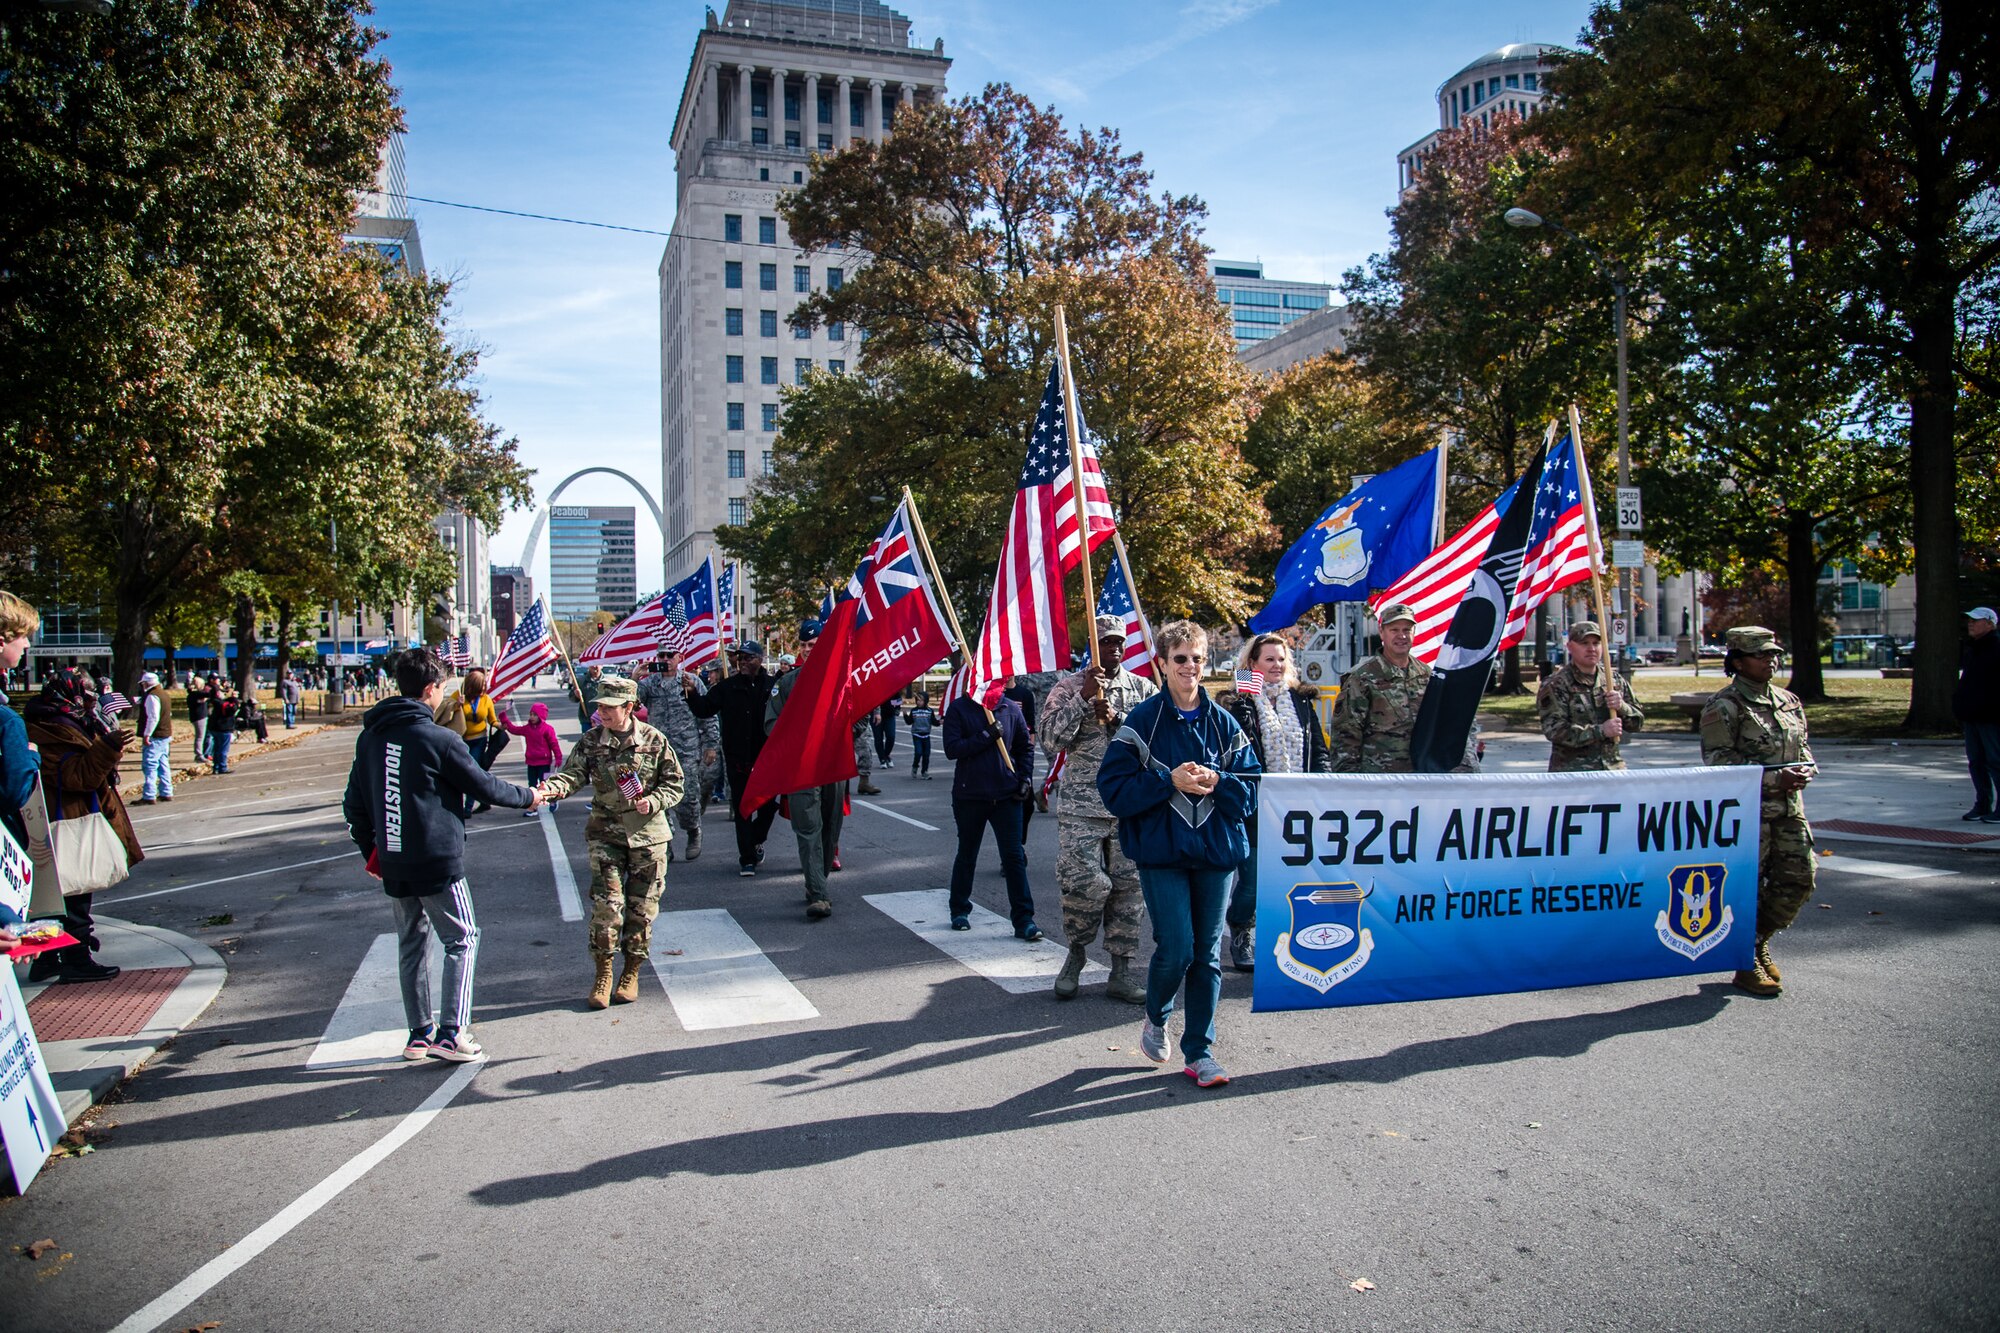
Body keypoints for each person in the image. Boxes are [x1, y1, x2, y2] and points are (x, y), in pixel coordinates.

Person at [343, 649, 540, 1061]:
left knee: (411, 942)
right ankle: (452, 1032)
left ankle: (419, 1034)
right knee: (461, 938)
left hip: (394, 858)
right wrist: (530, 796)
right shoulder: (439, 738)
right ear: (430, 689)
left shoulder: (371, 737)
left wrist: (372, 852)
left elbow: (354, 804)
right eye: (441, 688)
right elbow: (483, 786)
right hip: (437, 859)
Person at [1098, 620, 1260, 1089]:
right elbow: (1115, 791)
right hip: (1162, 853)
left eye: (1197, 658)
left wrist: (1218, 781)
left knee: (1208, 954)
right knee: (1178, 948)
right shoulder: (1142, 722)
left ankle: (1200, 1052)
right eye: (1181, 659)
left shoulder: (1224, 723)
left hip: (1216, 852)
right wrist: (1167, 779)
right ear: (1163, 664)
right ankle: (1156, 1015)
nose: (1191, 666)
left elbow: (1251, 791)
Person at [533, 676, 684, 1008]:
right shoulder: (591, 741)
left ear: (629, 707)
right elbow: (573, 774)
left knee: (641, 912)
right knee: (607, 908)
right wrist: (549, 789)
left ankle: (631, 972)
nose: (601, 711)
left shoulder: (654, 740)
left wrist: (655, 800)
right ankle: (603, 973)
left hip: (648, 838)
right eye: (600, 705)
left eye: (609, 707)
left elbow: (676, 784)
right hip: (606, 835)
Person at [1038, 614, 1156, 1001]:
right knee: (1083, 884)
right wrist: (1082, 699)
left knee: (1128, 889)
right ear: (1093, 644)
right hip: (1081, 808)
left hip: (1128, 807)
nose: (1116, 649)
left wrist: (1119, 718)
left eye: (1119, 642)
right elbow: (1050, 742)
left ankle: (1121, 971)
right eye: (1107, 642)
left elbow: (1158, 746)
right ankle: (1075, 954)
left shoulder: (1142, 689)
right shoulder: (1067, 687)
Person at [1701, 626, 1817, 997]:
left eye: (1774, 654)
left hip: (1789, 810)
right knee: (1746, 889)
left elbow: (1804, 751)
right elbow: (1719, 765)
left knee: (1800, 879)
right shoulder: (1724, 706)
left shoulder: (1789, 701)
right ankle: (1744, 959)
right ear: (1737, 662)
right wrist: (1774, 780)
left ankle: (1755, 939)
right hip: (1749, 816)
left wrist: (1804, 770)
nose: (1771, 660)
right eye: (1761, 655)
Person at [1217, 631, 1330, 972]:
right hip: (1257, 804)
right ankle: (1241, 928)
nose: (1277, 665)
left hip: (1298, 805)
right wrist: (1248, 698)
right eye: (1269, 659)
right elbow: (1235, 751)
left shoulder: (1301, 701)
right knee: (1253, 876)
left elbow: (1318, 750)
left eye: (1282, 659)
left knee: (1292, 876)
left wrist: (1324, 782)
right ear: (1252, 664)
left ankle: (1285, 936)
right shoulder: (1238, 704)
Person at [24, 666, 142, 984]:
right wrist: (107, 748)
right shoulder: (49, 728)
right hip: (65, 820)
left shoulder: (65, 721)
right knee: (72, 895)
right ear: (70, 695)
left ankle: (46, 957)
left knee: (53, 895)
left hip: (61, 818)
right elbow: (76, 776)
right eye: (86, 694)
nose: (91, 701)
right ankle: (75, 959)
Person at [942, 675, 1040, 939]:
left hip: (1006, 797)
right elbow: (952, 748)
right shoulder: (960, 708)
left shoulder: (1009, 708)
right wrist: (987, 735)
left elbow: (1024, 748)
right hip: (970, 796)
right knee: (967, 854)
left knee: (1013, 858)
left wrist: (1025, 778)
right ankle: (959, 909)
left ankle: (1024, 920)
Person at [767, 621, 843, 918]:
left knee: (830, 827)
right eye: (806, 646)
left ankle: (817, 881)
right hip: (802, 768)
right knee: (808, 828)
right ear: (800, 649)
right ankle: (819, 892)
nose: (811, 650)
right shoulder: (786, 684)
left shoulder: (841, 679)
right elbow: (771, 722)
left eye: (816, 645)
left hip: (834, 766)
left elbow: (859, 717)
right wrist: (798, 739)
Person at [689, 641, 779, 875]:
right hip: (738, 759)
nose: (743, 662)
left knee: (768, 807)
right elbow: (704, 708)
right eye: (740, 658)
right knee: (742, 810)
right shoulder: (726, 687)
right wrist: (690, 693)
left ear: (760, 659)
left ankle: (756, 839)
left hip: (766, 759)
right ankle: (746, 858)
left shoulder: (773, 686)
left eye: (749, 657)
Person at [636, 648, 720, 860]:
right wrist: (634, 679)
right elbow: (632, 705)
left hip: (687, 749)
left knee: (688, 797)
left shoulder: (690, 681)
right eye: (661, 656)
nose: (665, 660)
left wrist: (711, 744)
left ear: (679, 658)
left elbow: (706, 713)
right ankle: (665, 841)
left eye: (669, 656)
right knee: (658, 798)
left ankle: (693, 831)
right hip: (657, 751)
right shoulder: (649, 684)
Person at [1332, 602, 1428, 773]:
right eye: (1394, 630)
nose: (1402, 636)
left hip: (1420, 778)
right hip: (1378, 783)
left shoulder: (1426, 674)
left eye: (1407, 630)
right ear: (1382, 633)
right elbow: (1346, 736)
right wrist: (1348, 783)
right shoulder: (1362, 678)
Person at [1537, 621, 1645, 771]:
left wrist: (1622, 707)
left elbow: (1637, 723)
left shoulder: (1613, 680)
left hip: (1612, 770)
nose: (1591, 649)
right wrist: (1601, 731)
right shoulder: (1557, 684)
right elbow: (1555, 731)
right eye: (1584, 643)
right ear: (1570, 647)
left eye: (1596, 643)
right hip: (1573, 773)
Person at [0, 591, 43, 860]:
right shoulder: (6, 721)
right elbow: (13, 791)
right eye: (22, 636)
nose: (27, 645)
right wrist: (30, 756)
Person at [1955, 607, 1999, 823]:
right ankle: (1982, 803)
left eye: (1976, 620)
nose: (1970, 623)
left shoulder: (1996, 648)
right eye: (1969, 620)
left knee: (1995, 761)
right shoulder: (1973, 649)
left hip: (1990, 717)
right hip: (1972, 716)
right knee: (1976, 761)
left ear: (1990, 623)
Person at [500, 701, 565, 815]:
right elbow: (514, 729)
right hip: (531, 762)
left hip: (544, 762)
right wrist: (505, 719)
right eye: (531, 714)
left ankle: (552, 800)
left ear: (541, 716)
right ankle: (533, 806)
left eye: (535, 715)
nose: (532, 717)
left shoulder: (547, 729)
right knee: (532, 784)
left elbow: (554, 744)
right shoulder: (527, 728)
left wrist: (558, 757)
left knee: (545, 784)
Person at [136, 671, 175, 804]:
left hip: (156, 735)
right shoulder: (164, 694)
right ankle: (166, 791)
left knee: (150, 764)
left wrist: (147, 734)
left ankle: (149, 794)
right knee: (163, 764)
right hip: (165, 734)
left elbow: (153, 717)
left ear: (147, 683)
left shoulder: (152, 696)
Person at [208, 680, 239, 773]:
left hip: (215, 728)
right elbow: (231, 709)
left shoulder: (214, 702)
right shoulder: (220, 703)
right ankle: (222, 767)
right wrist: (234, 699)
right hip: (223, 728)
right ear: (217, 693)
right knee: (223, 749)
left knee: (217, 748)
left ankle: (216, 767)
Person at [906, 693, 936, 778]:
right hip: (917, 735)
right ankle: (915, 766)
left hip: (926, 735)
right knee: (918, 752)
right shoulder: (914, 711)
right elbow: (909, 722)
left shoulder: (930, 711)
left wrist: (940, 722)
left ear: (925, 701)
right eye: (917, 700)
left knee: (926, 754)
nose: (919, 702)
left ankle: (924, 772)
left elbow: (933, 721)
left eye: (921, 700)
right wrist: (905, 715)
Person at [571, 663, 604, 731]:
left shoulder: (607, 681)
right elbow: (572, 698)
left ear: (602, 666)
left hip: (604, 719)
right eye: (592, 663)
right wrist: (576, 695)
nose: (594, 666)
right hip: (586, 719)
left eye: (597, 663)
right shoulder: (581, 681)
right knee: (588, 740)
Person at [185, 674, 211, 762]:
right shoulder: (196, 694)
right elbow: (209, 694)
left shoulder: (193, 694)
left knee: (201, 736)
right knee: (200, 737)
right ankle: (199, 754)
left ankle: (200, 753)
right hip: (199, 717)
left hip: (197, 716)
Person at [872, 699, 897, 768]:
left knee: (891, 736)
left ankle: (886, 755)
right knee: (878, 738)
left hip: (889, 715)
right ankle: (882, 759)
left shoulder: (891, 689)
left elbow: (899, 700)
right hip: (875, 715)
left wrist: (891, 703)